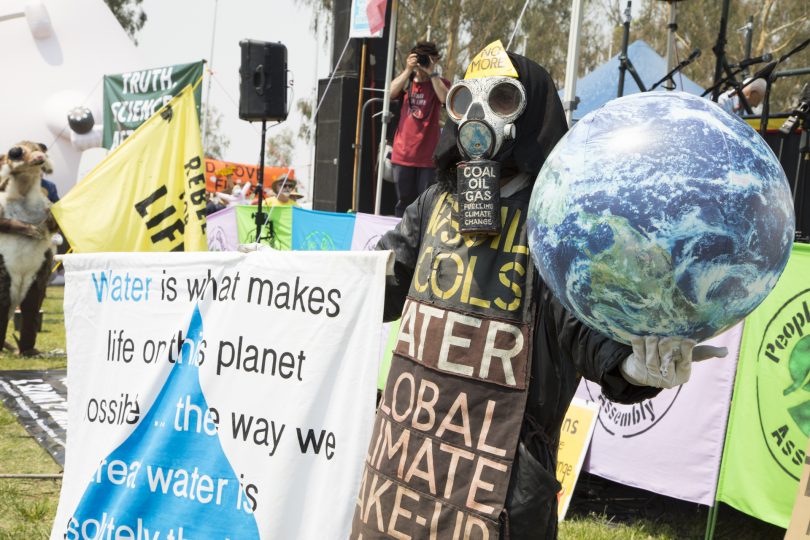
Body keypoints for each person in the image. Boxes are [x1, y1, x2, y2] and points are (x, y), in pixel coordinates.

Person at [351, 45, 727, 539]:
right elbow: (378, 282)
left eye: (502, 99)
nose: (479, 117)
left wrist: (634, 367)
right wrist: (297, 281)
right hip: (409, 466)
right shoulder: (435, 202)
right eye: (466, 100)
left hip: (503, 484)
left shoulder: (559, 221)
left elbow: (581, 324)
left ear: (533, 114)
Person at [389, 41, 450, 217]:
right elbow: (390, 92)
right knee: (403, 204)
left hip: (428, 158)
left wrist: (432, 73)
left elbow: (446, 99)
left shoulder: (439, 82)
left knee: (426, 205)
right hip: (403, 155)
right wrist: (408, 70)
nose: (421, 65)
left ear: (435, 60)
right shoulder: (407, 82)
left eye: (426, 60)